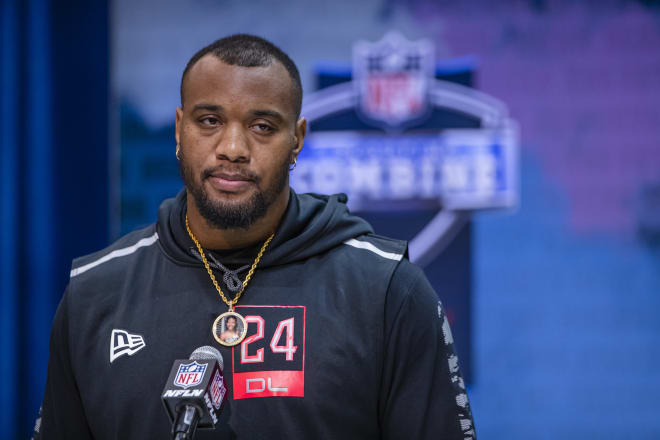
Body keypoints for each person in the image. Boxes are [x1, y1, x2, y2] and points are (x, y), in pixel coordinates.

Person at [35, 34, 476, 439]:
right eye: (209, 120)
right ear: (178, 128)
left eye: (262, 126)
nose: (232, 148)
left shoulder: (387, 291)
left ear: (297, 140)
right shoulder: (95, 293)